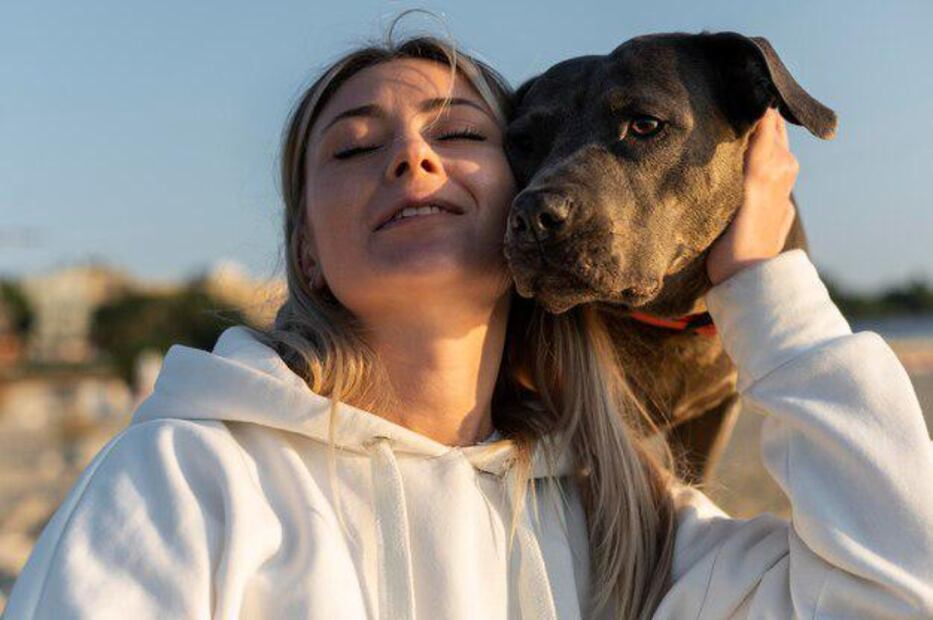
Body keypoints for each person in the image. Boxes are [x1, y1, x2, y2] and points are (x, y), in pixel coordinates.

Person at [5, 29, 932, 620]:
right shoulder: (190, 477)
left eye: (457, 135)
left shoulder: (631, 535)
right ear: (307, 254)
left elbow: (899, 591)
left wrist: (766, 287)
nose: (411, 157)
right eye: (354, 146)